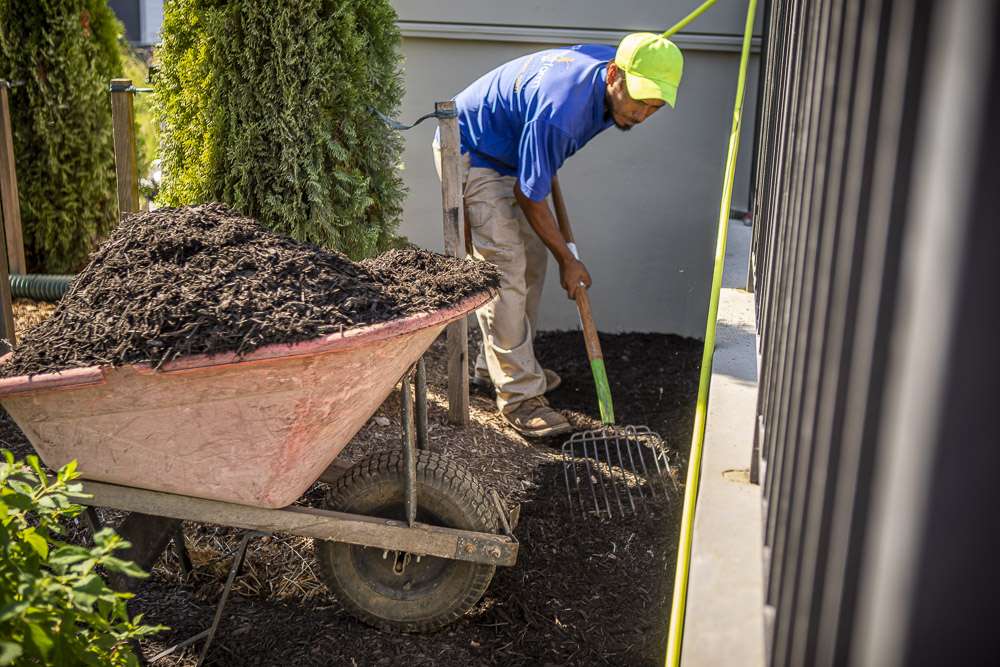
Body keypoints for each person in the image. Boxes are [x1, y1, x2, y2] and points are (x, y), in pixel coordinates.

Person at [433, 32, 684, 438]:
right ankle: (518, 396)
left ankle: (493, 368)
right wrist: (570, 259)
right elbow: (529, 196)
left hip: (512, 152)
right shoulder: (561, 112)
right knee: (505, 272)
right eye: (639, 101)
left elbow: (533, 180)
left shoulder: (607, 76)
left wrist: (541, 160)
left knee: (533, 261)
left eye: (654, 107)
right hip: (472, 151)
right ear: (614, 75)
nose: (641, 115)